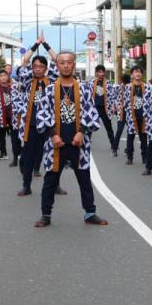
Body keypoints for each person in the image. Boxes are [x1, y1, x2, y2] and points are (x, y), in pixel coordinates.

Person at [33, 51, 108, 228]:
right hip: (56, 144)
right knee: (50, 180)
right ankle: (46, 214)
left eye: (69, 62)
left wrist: (82, 131)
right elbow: (43, 113)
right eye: (62, 62)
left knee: (84, 178)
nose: (66, 65)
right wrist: (53, 135)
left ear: (73, 65)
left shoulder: (83, 89)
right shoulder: (50, 89)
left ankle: (90, 212)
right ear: (57, 66)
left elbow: (91, 112)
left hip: (78, 142)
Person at [15, 41, 59, 196]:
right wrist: (35, 45)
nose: (38, 69)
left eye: (41, 67)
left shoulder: (52, 80)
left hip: (49, 125)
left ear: (46, 69)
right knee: (28, 157)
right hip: (31, 125)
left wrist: (46, 44)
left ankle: (56, 185)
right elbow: (25, 61)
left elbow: (56, 60)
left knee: (53, 155)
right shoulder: (27, 80)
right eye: (36, 66)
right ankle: (26, 186)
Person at [122, 66, 152, 167]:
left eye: (139, 72)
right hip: (132, 115)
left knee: (143, 137)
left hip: (144, 116)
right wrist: (127, 115)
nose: (138, 74)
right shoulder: (127, 87)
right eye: (135, 72)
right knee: (130, 136)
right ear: (132, 75)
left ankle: (144, 157)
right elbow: (126, 102)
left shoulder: (147, 86)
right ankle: (130, 157)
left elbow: (150, 101)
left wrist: (149, 116)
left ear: (142, 74)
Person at [91, 65, 118, 155]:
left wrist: (114, 106)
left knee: (109, 128)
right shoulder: (92, 82)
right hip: (94, 108)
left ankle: (114, 146)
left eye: (102, 72)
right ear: (96, 72)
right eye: (99, 72)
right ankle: (86, 143)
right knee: (89, 126)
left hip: (105, 108)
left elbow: (113, 95)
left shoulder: (109, 83)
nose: (101, 74)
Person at [0, 69, 14, 160]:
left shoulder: (13, 86)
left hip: (13, 115)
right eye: (1, 76)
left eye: (5, 75)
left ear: (8, 76)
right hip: (1, 115)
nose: (3, 77)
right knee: (1, 135)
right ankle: (3, 153)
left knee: (15, 136)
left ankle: (18, 153)